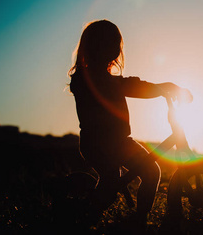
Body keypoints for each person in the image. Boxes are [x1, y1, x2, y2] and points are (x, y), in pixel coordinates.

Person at [68, 19, 191, 223]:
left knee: (151, 172)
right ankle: (84, 215)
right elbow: (130, 87)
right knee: (110, 183)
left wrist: (163, 87)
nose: (115, 49)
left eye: (117, 44)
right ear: (95, 47)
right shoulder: (86, 79)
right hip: (97, 144)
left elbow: (129, 85)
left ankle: (140, 219)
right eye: (109, 43)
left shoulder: (108, 80)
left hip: (121, 142)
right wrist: (163, 88)